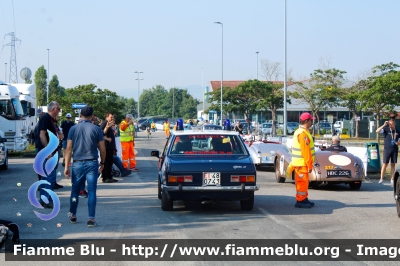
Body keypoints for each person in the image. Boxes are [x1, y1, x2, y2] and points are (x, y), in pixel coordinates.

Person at [64, 105, 106, 228]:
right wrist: (102, 163)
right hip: (92, 162)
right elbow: (102, 149)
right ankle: (91, 219)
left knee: (75, 191)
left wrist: (66, 166)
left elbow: (68, 148)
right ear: (92, 116)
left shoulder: (73, 129)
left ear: (80, 115)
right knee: (92, 190)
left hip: (77, 163)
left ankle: (72, 215)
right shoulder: (96, 129)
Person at [37, 101, 64, 208]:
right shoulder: (46, 118)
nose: (59, 111)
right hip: (48, 153)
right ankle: (47, 200)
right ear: (53, 109)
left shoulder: (52, 120)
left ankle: (43, 199)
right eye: (58, 109)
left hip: (52, 151)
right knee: (50, 177)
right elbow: (42, 135)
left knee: (45, 177)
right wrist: (48, 150)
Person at [290, 112, 316, 208]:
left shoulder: (303, 132)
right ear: (306, 121)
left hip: (301, 163)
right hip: (302, 163)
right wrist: (309, 164)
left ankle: (304, 198)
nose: (312, 122)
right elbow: (306, 151)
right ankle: (300, 200)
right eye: (311, 120)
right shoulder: (302, 134)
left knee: (304, 182)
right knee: (302, 182)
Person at [376, 119, 400, 184]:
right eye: (389, 124)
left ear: (394, 124)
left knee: (393, 164)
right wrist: (384, 125)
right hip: (387, 149)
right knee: (385, 164)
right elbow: (377, 131)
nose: (390, 125)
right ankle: (381, 178)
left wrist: (398, 143)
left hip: (394, 149)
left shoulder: (398, 131)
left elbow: (399, 141)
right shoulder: (386, 129)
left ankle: (392, 179)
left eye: (391, 124)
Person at [100, 112, 118, 183]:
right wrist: (107, 139)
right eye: (111, 117)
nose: (112, 119)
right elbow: (101, 133)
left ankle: (110, 176)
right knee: (106, 162)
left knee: (110, 162)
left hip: (110, 147)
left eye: (113, 117)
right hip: (106, 147)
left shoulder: (110, 124)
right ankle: (105, 177)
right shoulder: (104, 124)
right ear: (107, 117)